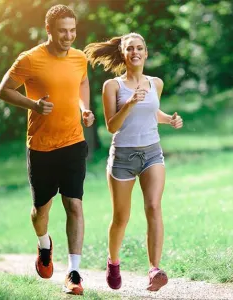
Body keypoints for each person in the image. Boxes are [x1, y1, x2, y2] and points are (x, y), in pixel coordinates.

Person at [0, 4, 94, 296]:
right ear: (48, 30)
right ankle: (44, 245)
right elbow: (3, 90)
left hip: (73, 141)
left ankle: (74, 272)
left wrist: (84, 108)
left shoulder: (79, 58)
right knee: (41, 210)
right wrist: (34, 105)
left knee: (74, 204)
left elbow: (83, 82)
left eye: (73, 31)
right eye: (62, 31)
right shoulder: (29, 60)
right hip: (40, 146)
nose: (68, 36)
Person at [84, 32, 183, 292]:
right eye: (130, 49)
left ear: (146, 53)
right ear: (123, 54)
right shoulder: (112, 86)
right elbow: (111, 126)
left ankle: (154, 269)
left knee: (153, 206)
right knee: (121, 217)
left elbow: (152, 112)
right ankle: (113, 262)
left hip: (152, 152)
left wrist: (169, 120)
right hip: (123, 157)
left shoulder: (155, 83)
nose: (135, 52)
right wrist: (128, 103)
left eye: (140, 48)